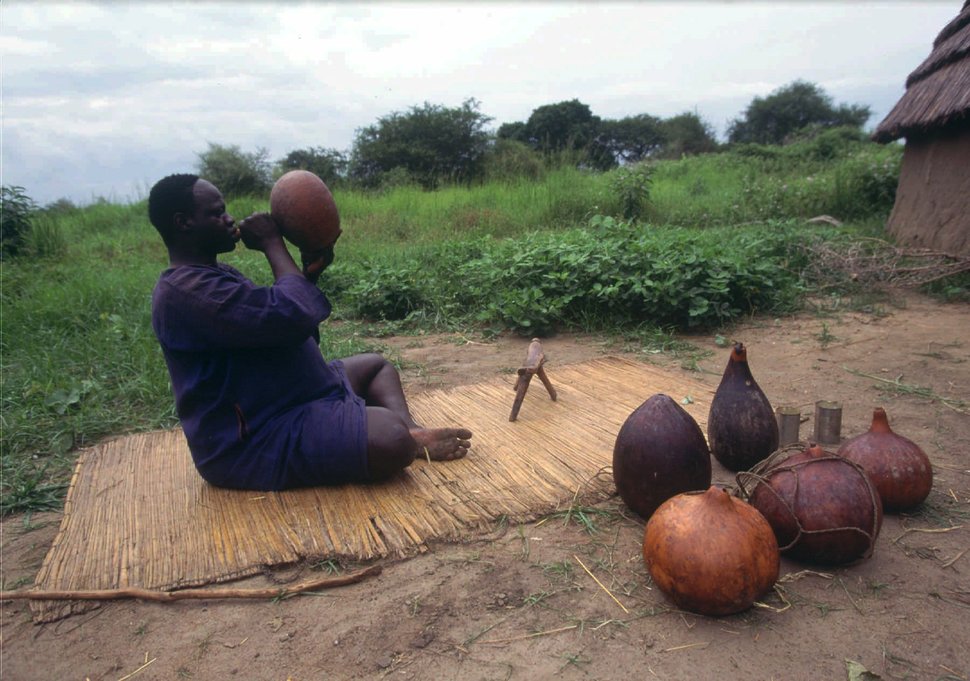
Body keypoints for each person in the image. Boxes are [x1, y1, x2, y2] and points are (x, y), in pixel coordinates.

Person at [147, 173, 472, 490]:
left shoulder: (214, 275)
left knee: (376, 367)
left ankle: (414, 432)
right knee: (390, 437)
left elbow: (285, 330)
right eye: (217, 213)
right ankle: (404, 438)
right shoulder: (187, 293)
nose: (229, 218)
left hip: (288, 393)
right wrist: (273, 243)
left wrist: (308, 277)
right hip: (255, 437)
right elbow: (292, 315)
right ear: (183, 222)